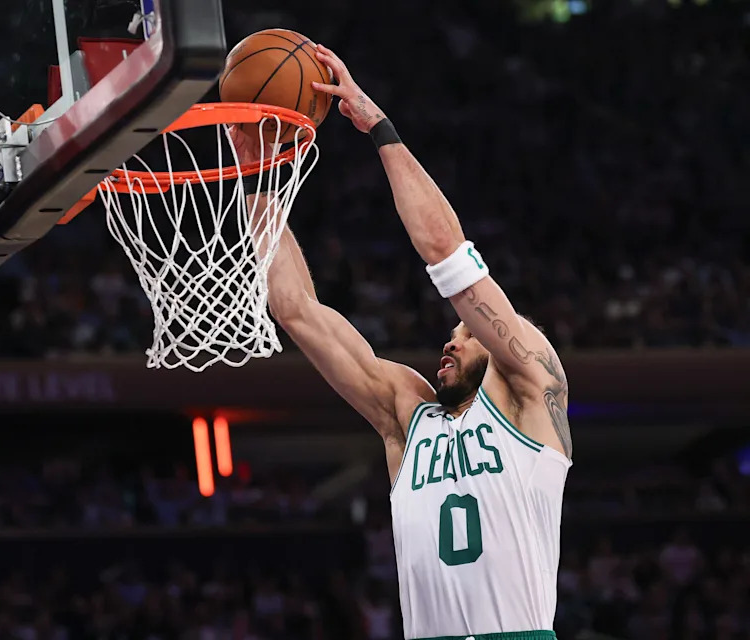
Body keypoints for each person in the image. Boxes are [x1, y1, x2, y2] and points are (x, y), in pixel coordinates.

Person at [230, 44, 573, 640]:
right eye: (452, 332)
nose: (450, 340)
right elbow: (296, 310)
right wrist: (255, 174)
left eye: (466, 332)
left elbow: (447, 255)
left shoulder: (530, 394)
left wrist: (377, 126)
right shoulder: (406, 415)